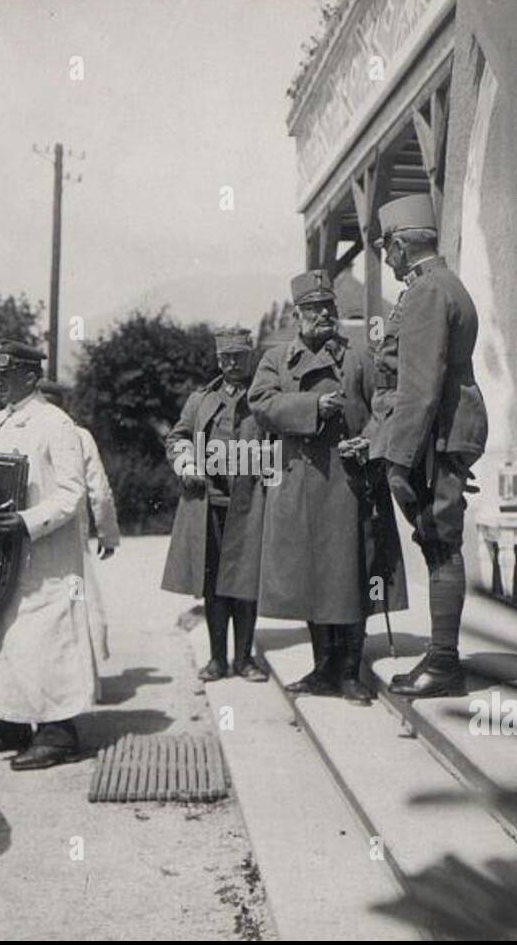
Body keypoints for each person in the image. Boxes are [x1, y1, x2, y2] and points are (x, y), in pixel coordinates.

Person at [248, 270, 407, 705]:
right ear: (297, 316)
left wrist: (370, 440)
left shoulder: (360, 358)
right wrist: (311, 405)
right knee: (312, 580)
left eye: (328, 309)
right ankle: (322, 669)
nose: (323, 316)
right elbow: (261, 405)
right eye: (314, 310)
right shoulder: (276, 361)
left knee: (350, 577)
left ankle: (351, 672)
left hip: (350, 482)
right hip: (300, 484)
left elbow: (386, 406)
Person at [366, 194, 488, 699]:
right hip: (437, 433)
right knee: (437, 541)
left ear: (399, 244)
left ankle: (444, 663)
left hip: (432, 438)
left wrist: (398, 458)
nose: (384, 257)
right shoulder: (440, 286)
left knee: (439, 543)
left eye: (385, 247)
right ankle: (440, 658)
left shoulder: (426, 293)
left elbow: (419, 387)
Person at [0, 339, 96, 768]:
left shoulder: (56, 424)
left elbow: (73, 493)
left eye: (7, 372)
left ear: (31, 376)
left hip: (46, 556)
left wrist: (27, 522)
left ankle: (58, 732)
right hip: (7, 554)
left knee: (46, 640)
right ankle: (13, 723)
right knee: (8, 636)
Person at [161, 327, 268, 682]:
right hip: (208, 505)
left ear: (250, 356)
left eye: (238, 356)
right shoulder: (201, 400)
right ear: (217, 358)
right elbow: (177, 438)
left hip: (251, 504)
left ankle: (245, 659)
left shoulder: (264, 396)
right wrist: (186, 464)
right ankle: (217, 660)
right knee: (212, 585)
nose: (232, 363)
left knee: (246, 583)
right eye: (225, 357)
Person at [37, 379, 117, 686]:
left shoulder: (77, 436)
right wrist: (108, 536)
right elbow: (99, 489)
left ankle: (76, 681)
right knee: (76, 606)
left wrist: (107, 534)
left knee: (67, 604)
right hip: (67, 540)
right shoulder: (80, 436)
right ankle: (83, 679)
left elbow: (99, 490)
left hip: (59, 536)